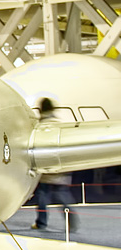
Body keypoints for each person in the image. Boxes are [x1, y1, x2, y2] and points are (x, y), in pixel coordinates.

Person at [32, 98, 80, 231]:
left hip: (44, 169)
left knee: (42, 197)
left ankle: (41, 223)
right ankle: (72, 221)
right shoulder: (59, 125)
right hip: (60, 168)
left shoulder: (39, 126)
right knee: (62, 195)